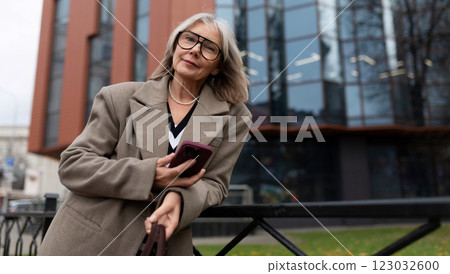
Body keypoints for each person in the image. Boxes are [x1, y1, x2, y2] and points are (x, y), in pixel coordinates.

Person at [38, 13, 251, 256]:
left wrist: (179, 199)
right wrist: (149, 176)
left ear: (218, 66)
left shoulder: (235, 117)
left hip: (164, 245)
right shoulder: (118, 98)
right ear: (174, 46)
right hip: (90, 241)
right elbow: (73, 165)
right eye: (189, 39)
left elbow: (215, 184)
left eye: (209, 48)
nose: (194, 50)